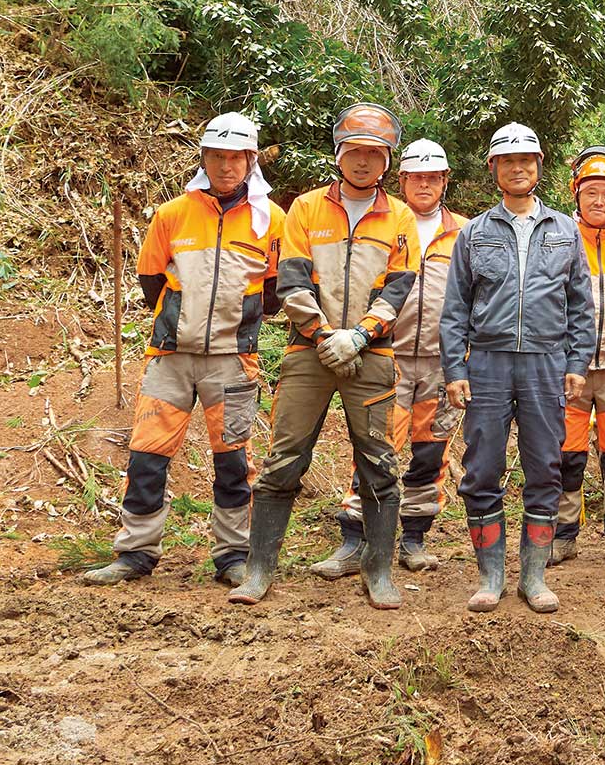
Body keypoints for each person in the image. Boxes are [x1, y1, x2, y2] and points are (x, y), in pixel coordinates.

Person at [82, 112, 282, 588]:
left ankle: (233, 555)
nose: (226, 166)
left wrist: (237, 323)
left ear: (251, 161)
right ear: (204, 158)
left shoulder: (271, 219)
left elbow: (275, 290)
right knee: (146, 456)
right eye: (217, 156)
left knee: (234, 460)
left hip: (234, 361)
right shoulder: (171, 214)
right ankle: (135, 552)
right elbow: (150, 279)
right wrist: (180, 321)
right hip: (169, 359)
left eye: (236, 157)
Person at [232, 102, 417, 609]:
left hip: (371, 355)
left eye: (374, 155)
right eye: (355, 152)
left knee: (379, 461)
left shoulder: (399, 216)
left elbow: (399, 287)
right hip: (307, 353)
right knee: (284, 458)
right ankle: (258, 569)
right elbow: (290, 279)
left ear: (386, 162)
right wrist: (322, 335)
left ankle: (378, 569)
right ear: (339, 154)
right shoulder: (306, 209)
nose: (363, 163)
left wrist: (359, 336)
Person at [439, 122, 596, 614]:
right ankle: (490, 575)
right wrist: (455, 370)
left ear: (539, 166)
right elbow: (455, 308)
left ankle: (533, 575)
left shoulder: (565, 231)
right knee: (481, 467)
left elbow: (581, 306)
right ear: (494, 169)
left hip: (546, 363)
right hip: (486, 362)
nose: (518, 167)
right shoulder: (474, 233)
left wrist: (577, 362)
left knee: (545, 467)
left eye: (526, 160)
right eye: (508, 161)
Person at [318, 139, 465, 577]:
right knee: (375, 446)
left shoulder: (465, 231)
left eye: (433, 177)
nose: (425, 184)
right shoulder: (388, 222)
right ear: (401, 179)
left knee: (431, 451)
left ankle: (414, 538)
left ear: (444, 182)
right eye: (416, 176)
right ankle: (354, 538)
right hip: (389, 354)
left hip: (442, 360)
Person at [554, 144, 605, 566]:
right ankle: (563, 534)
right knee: (566, 454)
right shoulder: (561, 239)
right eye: (591, 193)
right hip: (571, 369)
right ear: (576, 194)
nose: (599, 201)